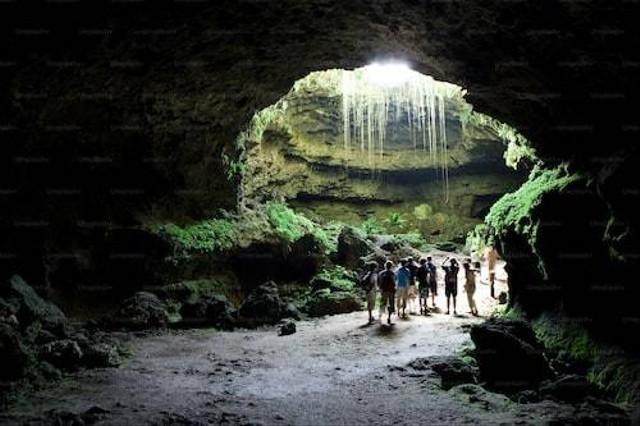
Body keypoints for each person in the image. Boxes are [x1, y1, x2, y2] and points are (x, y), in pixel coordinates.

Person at [378, 260, 397, 325]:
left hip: (384, 290)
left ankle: (380, 316)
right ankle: (389, 317)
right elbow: (394, 282)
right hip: (391, 290)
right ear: (391, 266)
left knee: (383, 303)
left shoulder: (381, 273)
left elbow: (380, 283)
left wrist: (380, 289)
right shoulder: (393, 273)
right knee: (391, 303)